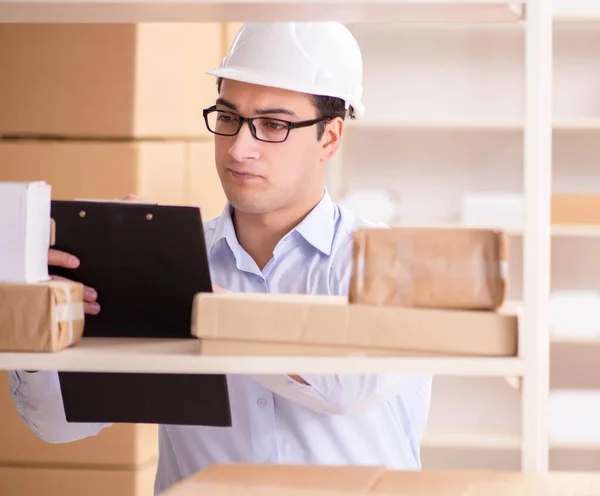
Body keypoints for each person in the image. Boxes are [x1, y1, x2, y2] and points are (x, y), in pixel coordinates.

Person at [8, 22, 432, 494]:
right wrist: (40, 320)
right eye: (228, 117)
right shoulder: (172, 263)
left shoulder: (384, 263)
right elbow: (59, 426)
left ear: (330, 138)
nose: (239, 147)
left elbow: (350, 386)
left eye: (272, 124)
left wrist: (207, 307)